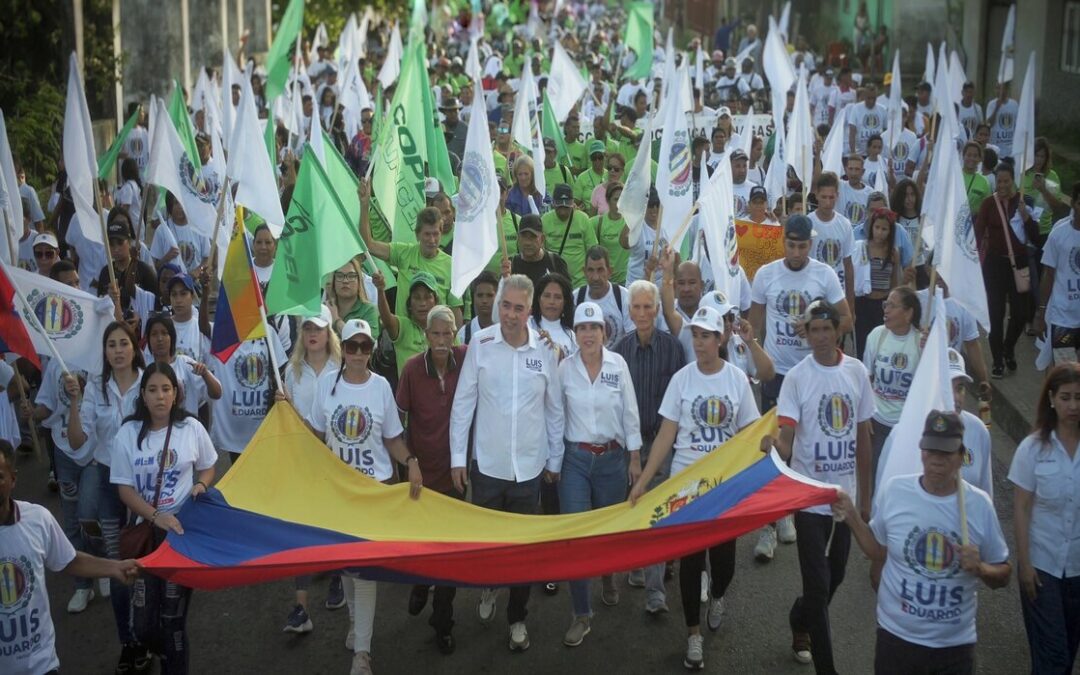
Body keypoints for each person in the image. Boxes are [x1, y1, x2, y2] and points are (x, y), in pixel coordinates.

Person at [629, 305, 761, 670]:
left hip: (724, 487)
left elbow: (751, 432)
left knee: (724, 563)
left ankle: (717, 595)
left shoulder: (736, 379)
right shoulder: (682, 380)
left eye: (707, 336)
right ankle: (692, 635)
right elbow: (666, 436)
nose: (700, 342)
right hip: (686, 485)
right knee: (689, 561)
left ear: (721, 340)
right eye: (696, 335)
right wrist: (643, 481)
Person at [835, 409, 1011, 674]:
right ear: (921, 451)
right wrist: (851, 516)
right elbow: (876, 550)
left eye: (946, 453)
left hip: (954, 648)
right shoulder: (896, 491)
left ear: (961, 456)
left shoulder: (978, 506)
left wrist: (982, 569)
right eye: (931, 450)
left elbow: (1004, 574)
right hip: (896, 639)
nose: (936, 461)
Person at [449, 274, 564, 652]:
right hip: (487, 467)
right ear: (497, 305)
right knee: (488, 545)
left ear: (529, 310)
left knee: (521, 550)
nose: (510, 315)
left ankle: (517, 617)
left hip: (528, 470)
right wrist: (457, 459)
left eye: (518, 307)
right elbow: (463, 404)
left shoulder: (546, 349)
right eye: (505, 306)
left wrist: (555, 460)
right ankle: (488, 587)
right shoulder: (480, 345)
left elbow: (554, 410)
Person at [307, 319, 421, 673]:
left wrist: (412, 461)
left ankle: (363, 651)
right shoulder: (327, 384)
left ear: (372, 349)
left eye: (365, 347)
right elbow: (314, 434)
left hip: (374, 490)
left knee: (366, 571)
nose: (358, 353)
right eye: (352, 346)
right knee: (346, 566)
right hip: (338, 493)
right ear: (344, 348)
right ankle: (356, 624)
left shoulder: (381, 386)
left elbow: (391, 438)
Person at [766, 299, 873, 674]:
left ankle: (800, 618)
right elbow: (788, 440)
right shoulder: (797, 377)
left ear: (838, 330)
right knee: (817, 585)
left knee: (836, 576)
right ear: (807, 334)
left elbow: (863, 438)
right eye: (815, 330)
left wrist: (866, 499)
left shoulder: (857, 373)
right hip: (809, 500)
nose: (823, 337)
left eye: (828, 329)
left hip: (845, 500)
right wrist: (773, 446)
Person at [111, 363, 218, 675]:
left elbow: (209, 465)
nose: (160, 396)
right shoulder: (128, 433)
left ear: (176, 394)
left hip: (180, 537)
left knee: (172, 620)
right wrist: (155, 516)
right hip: (146, 538)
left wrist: (201, 484)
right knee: (143, 625)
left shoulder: (191, 428)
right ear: (143, 395)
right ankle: (166, 653)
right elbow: (124, 490)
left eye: (166, 389)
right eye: (153, 390)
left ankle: (175, 666)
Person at [0, 440, 140, 675]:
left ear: (13, 479)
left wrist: (115, 567)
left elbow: (70, 560)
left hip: (41, 665)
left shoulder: (37, 520)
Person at [558, 302, 642, 647]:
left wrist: (635, 458)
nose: (588, 334)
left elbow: (630, 412)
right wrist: (552, 462)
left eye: (594, 328)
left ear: (604, 333)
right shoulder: (564, 368)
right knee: (575, 537)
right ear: (575, 334)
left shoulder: (618, 364)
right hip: (575, 460)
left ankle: (608, 575)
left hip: (611, 460)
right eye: (582, 328)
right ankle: (581, 613)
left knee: (607, 531)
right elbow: (554, 416)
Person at [397, 306, 466, 654]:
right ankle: (421, 584)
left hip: (456, 476)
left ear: (456, 333)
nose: (442, 341)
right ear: (426, 335)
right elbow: (399, 419)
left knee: (449, 555)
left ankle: (443, 622)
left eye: (448, 334)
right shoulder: (411, 369)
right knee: (424, 547)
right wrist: (408, 464)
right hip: (422, 476)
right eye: (435, 334)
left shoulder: (467, 358)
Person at [614, 280, 686, 613]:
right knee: (633, 507)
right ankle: (636, 563)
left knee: (658, 514)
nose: (642, 313)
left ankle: (656, 592)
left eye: (648, 307)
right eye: (637, 307)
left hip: (662, 443)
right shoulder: (619, 350)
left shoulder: (674, 349)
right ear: (629, 311)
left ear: (657, 310)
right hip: (629, 444)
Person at [1009, 363, 1080, 674]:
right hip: (1043, 567)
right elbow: (1022, 508)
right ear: (1051, 399)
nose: (1073, 406)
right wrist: (1025, 564)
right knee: (1053, 657)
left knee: (1068, 651)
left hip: (1077, 568)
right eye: (1065, 397)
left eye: (1079, 397)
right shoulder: (1033, 448)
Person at [279, 305, 341, 633]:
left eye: (318, 328)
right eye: (306, 328)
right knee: (303, 528)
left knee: (333, 524)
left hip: (335, 458)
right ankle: (301, 607)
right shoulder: (291, 371)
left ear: (329, 332)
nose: (312, 333)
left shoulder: (342, 366)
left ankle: (338, 578)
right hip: (303, 459)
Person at [750, 215, 852, 411]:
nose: (796, 253)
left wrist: (816, 329)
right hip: (775, 373)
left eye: (802, 247)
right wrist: (756, 365)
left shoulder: (825, 274)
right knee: (776, 438)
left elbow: (846, 320)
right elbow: (754, 325)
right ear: (783, 242)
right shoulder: (765, 274)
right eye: (791, 245)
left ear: (811, 244)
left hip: (813, 369)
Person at [359, 179, 464, 326]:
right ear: (417, 235)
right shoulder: (404, 253)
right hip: (405, 343)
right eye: (427, 234)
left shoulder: (451, 265)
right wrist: (364, 205)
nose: (432, 240)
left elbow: (455, 310)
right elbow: (368, 244)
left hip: (435, 342)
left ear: (441, 233)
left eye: (436, 234)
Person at [974, 162, 1040, 379]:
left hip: (1019, 264)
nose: (1002, 185)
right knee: (996, 314)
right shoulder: (988, 204)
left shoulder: (1023, 202)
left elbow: (1036, 237)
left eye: (1006, 181)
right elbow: (977, 232)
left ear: (1013, 181)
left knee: (1020, 314)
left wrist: (1026, 217)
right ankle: (998, 360)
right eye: (999, 181)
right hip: (994, 265)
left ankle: (1009, 347)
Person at [862, 287, 922, 480]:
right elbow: (866, 379)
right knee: (875, 476)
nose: (885, 310)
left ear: (909, 313)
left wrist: (931, 349)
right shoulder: (876, 336)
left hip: (907, 426)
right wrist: (866, 417)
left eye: (892, 306)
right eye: (885, 304)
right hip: (878, 423)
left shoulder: (921, 342)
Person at [1034, 182, 1080, 365]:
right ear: (1074, 203)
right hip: (1063, 319)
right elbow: (1048, 275)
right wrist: (1040, 313)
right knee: (1066, 373)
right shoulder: (1059, 233)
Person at [143, 314, 221, 416]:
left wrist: (205, 374)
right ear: (148, 339)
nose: (160, 339)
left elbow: (217, 393)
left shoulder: (186, 364)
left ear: (172, 337)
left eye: (164, 333)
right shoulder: (144, 369)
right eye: (154, 334)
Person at [853, 208, 902, 354]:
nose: (880, 232)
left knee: (882, 345)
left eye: (884, 229)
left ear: (890, 231)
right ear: (871, 227)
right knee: (863, 345)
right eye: (877, 227)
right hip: (863, 303)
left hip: (882, 304)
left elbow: (894, 282)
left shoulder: (893, 253)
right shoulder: (862, 248)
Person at [808, 172, 855, 317]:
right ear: (816, 195)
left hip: (837, 293)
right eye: (824, 197)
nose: (828, 202)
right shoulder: (808, 222)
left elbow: (848, 265)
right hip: (813, 292)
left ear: (837, 196)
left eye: (831, 197)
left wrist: (851, 305)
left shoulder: (845, 224)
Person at [375, 271, 439, 376]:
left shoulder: (445, 328)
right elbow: (386, 319)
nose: (422, 303)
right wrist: (380, 290)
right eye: (417, 297)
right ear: (409, 304)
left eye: (427, 297)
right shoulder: (403, 326)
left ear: (435, 301)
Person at [573, 246, 634, 348]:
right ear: (584, 272)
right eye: (591, 270)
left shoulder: (624, 297)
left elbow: (632, 338)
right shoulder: (576, 298)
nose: (596, 277)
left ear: (610, 272)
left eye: (600, 270)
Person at [542, 183, 597, 289]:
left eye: (566, 204)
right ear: (553, 203)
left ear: (572, 203)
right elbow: (541, 251)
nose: (563, 209)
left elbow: (592, 250)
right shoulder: (545, 220)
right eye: (560, 204)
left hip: (581, 282)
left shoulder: (583, 219)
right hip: (554, 280)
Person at [510, 215, 571, 288]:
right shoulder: (511, 265)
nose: (528, 242)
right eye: (524, 236)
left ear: (542, 239)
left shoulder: (556, 263)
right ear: (518, 238)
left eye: (533, 237)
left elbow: (567, 295)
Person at [530, 272, 577, 358]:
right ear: (538, 298)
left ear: (565, 302)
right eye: (547, 296)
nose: (552, 301)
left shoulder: (572, 337)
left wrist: (555, 350)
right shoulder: (526, 324)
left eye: (558, 297)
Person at [593, 182, 630, 285]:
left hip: (626, 280)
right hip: (604, 280)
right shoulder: (597, 222)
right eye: (616, 199)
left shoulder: (631, 223)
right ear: (608, 201)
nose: (619, 203)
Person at [458, 271, 499, 344]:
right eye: (480, 295)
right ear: (473, 296)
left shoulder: (506, 331)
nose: (484, 301)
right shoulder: (464, 334)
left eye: (489, 295)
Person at [985, 82, 1019, 158]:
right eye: (997, 88)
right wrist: (996, 108)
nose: (998, 91)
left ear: (1006, 89)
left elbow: (1017, 125)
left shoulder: (1014, 104)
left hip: (1010, 149)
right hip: (995, 148)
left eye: (1001, 88)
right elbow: (989, 124)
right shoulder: (991, 104)